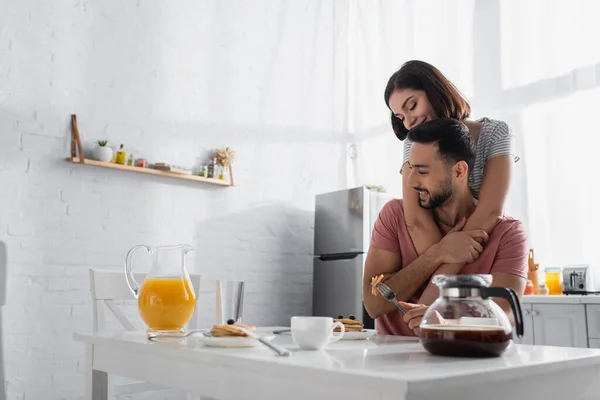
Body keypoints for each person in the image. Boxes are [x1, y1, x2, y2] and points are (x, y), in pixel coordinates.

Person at [362, 118, 528, 336]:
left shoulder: (509, 234)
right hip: (391, 362)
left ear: (459, 171)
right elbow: (374, 306)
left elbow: (505, 316)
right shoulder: (394, 215)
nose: (410, 182)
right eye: (410, 169)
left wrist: (446, 321)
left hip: (463, 362)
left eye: (422, 172)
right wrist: (437, 253)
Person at [383, 60, 519, 306]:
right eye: (400, 117)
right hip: (435, 252)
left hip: (478, 248)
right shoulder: (412, 144)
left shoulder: (495, 134)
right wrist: (442, 265)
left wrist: (430, 301)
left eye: (412, 106)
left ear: (435, 90)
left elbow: (489, 211)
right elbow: (416, 221)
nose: (409, 122)